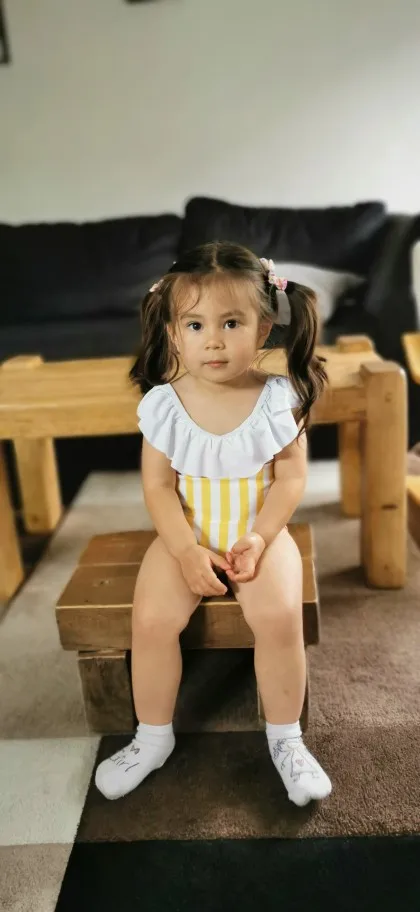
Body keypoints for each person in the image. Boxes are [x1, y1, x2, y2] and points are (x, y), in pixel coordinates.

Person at [95, 241, 332, 807]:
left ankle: (286, 739)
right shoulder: (165, 404)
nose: (215, 340)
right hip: (187, 533)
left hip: (257, 532)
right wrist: (183, 550)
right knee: (151, 620)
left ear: (264, 327)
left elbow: (290, 479)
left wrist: (260, 537)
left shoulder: (278, 400)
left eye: (231, 322)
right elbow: (158, 487)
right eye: (196, 324)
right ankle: (152, 737)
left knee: (278, 617)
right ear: (174, 334)